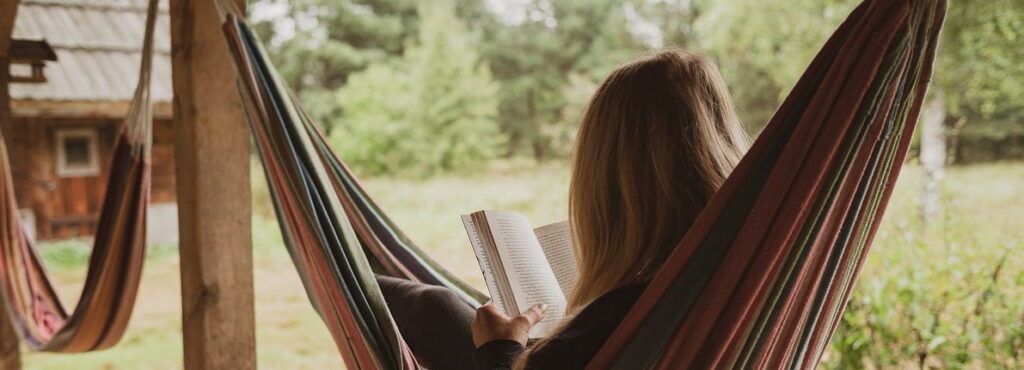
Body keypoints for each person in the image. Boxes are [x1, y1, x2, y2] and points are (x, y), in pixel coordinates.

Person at [377, 49, 750, 370]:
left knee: (429, 307)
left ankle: (348, 267)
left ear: (607, 180)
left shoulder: (621, 316)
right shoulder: (750, 264)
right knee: (437, 304)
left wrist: (498, 350)